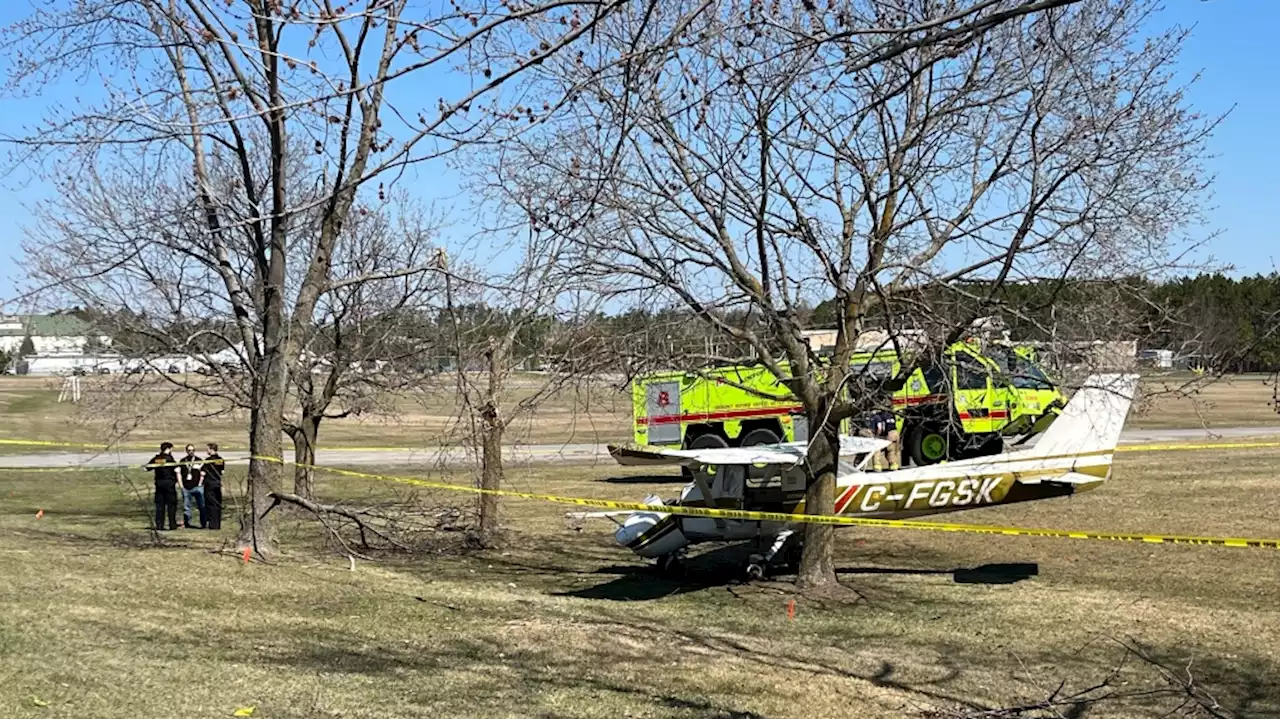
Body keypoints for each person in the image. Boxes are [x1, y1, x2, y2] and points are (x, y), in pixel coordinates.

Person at [145, 442, 179, 531]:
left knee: (160, 506)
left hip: (159, 484)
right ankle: (172, 525)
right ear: (168, 449)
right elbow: (176, 469)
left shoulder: (156, 458)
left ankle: (159, 525)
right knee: (171, 505)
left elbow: (147, 468)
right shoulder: (170, 459)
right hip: (169, 484)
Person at [179, 444, 207, 529]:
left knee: (201, 506)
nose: (191, 452)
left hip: (197, 487)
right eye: (189, 450)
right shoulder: (183, 461)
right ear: (186, 451)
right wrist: (181, 485)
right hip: (186, 487)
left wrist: (200, 483)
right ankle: (187, 523)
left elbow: (203, 473)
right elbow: (179, 473)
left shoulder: (199, 460)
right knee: (186, 507)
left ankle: (203, 523)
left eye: (192, 450)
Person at [202, 442, 225, 530]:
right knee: (217, 504)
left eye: (208, 449)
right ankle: (217, 524)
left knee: (210, 504)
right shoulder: (220, 460)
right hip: (217, 484)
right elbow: (222, 472)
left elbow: (203, 472)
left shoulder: (208, 460)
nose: (207, 451)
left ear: (211, 449)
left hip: (209, 484)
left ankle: (212, 524)